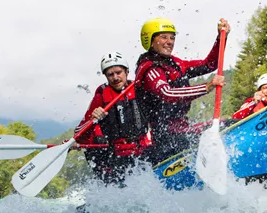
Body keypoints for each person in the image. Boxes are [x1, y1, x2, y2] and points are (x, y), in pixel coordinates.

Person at [135, 17, 230, 164]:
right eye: (164, 37)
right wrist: (207, 87)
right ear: (151, 41)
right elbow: (166, 93)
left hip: (183, 129)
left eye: (172, 37)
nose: (170, 42)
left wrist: (221, 38)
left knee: (228, 125)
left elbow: (210, 64)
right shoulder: (150, 69)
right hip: (165, 137)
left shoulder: (176, 64)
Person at [74, 51, 152, 184]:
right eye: (110, 74)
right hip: (114, 158)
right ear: (105, 76)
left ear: (127, 72)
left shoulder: (139, 89)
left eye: (118, 72)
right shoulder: (101, 97)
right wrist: (93, 119)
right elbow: (79, 134)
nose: (115, 77)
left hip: (141, 153)